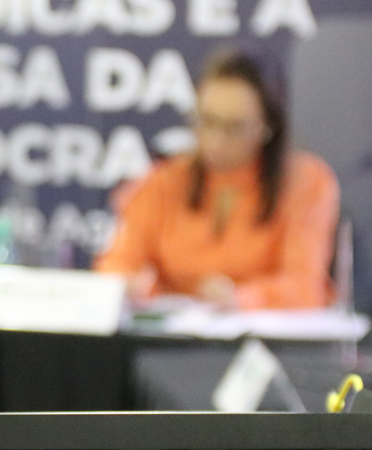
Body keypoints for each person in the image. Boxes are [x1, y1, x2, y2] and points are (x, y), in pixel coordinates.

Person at [95, 47, 339, 309]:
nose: (216, 140)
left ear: (268, 127)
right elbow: (116, 265)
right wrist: (139, 286)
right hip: (174, 339)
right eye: (207, 121)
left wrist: (241, 298)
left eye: (234, 127)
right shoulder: (165, 179)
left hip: (266, 339)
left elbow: (305, 288)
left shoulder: (306, 182)